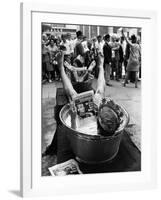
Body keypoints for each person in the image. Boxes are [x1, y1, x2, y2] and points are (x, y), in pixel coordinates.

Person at [43, 51, 106, 163]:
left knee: (72, 94)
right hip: (95, 119)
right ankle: (100, 67)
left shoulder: (88, 140)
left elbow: (75, 131)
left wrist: (72, 117)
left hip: (86, 126)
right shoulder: (104, 127)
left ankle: (61, 67)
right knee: (99, 91)